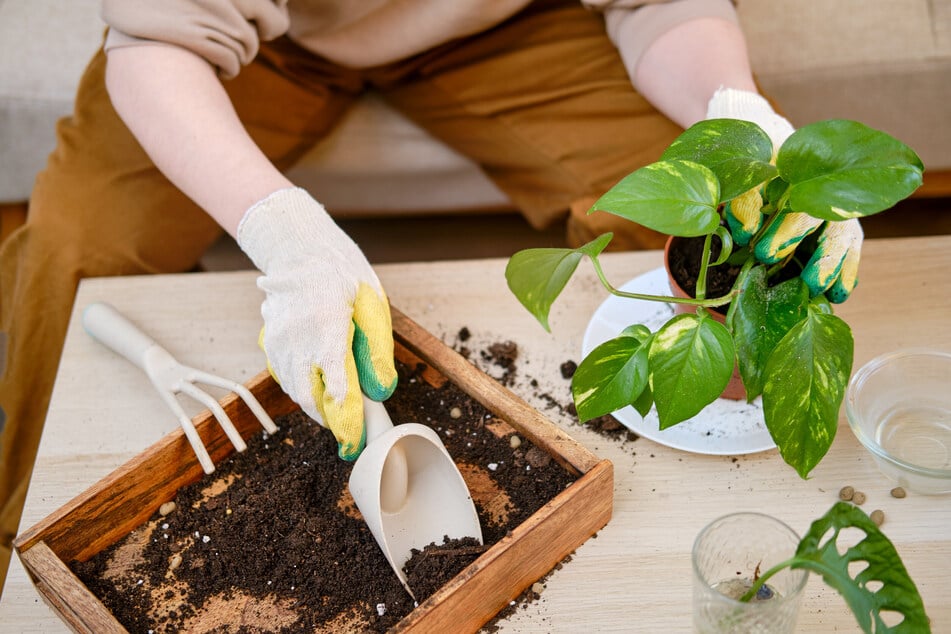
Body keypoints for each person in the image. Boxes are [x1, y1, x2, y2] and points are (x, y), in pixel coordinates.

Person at [0, 0, 860, 583]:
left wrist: (736, 110)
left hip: (516, 24)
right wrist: (285, 237)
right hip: (265, 43)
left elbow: (658, 7)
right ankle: (14, 542)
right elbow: (161, 38)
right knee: (80, 243)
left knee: (697, 224)